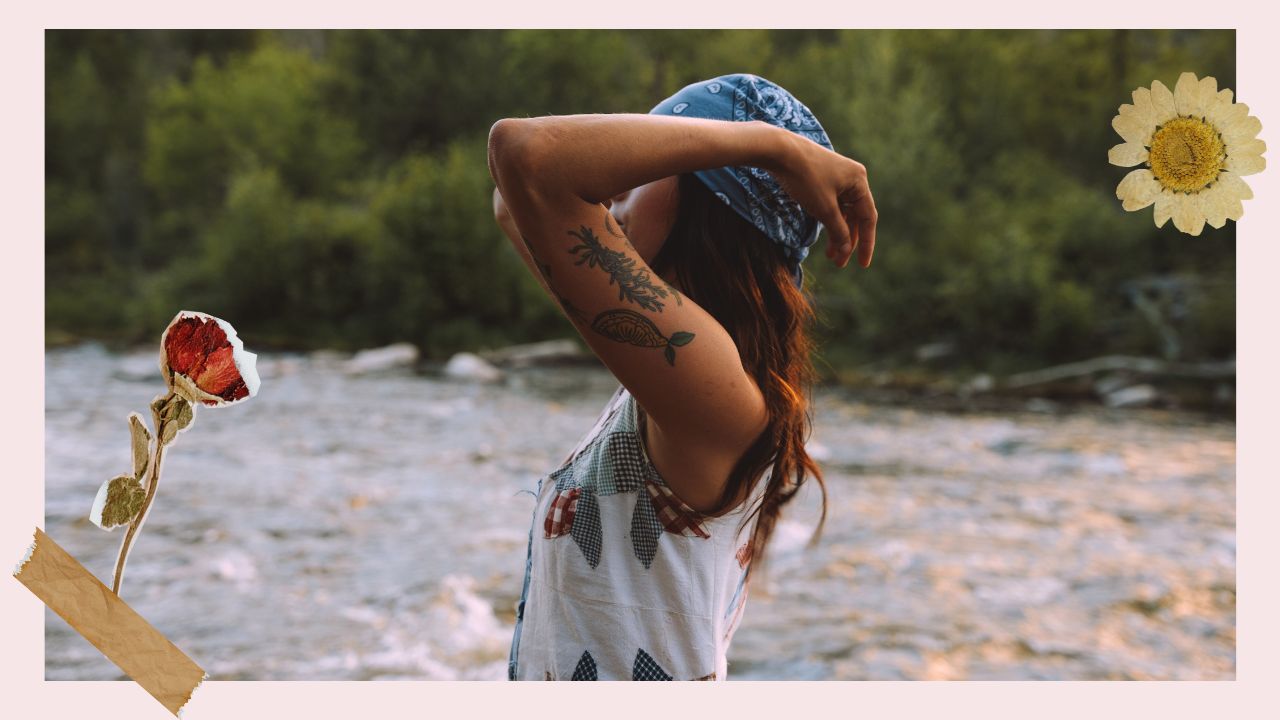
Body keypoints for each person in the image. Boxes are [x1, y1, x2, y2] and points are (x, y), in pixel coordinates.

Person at [488, 73, 878, 681]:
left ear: (705, 206)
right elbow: (514, 200)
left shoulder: (711, 384)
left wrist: (766, 146)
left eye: (635, 179)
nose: (613, 195)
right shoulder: (677, 370)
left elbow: (528, 158)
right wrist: (754, 145)